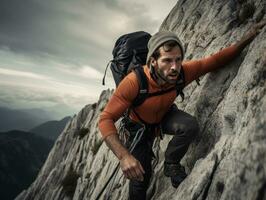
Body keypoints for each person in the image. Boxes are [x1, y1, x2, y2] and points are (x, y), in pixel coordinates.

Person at [98, 20, 266, 200]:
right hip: (138, 128)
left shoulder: (182, 73)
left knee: (190, 126)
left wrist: (249, 37)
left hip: (163, 116)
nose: (174, 67)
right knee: (140, 178)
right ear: (153, 61)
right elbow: (105, 119)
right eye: (167, 60)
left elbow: (214, 61)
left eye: (178, 59)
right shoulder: (134, 82)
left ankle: (171, 163)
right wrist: (124, 156)